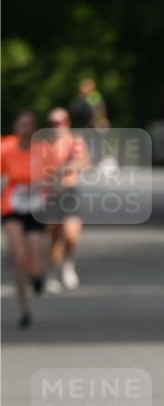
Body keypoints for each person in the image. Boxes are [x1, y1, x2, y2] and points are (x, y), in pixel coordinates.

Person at [1, 111, 48, 327]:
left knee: (36, 259)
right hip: (11, 206)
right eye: (21, 124)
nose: (24, 128)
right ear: (16, 125)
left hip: (35, 207)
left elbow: (52, 176)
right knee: (19, 258)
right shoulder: (5, 147)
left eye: (29, 124)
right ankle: (24, 309)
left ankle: (37, 277)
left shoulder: (42, 150)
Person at [42, 107, 90, 292]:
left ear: (67, 123)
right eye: (53, 123)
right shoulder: (45, 143)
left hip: (69, 191)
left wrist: (70, 165)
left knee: (71, 234)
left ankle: (68, 264)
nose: (56, 126)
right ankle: (53, 272)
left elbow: (85, 162)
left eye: (60, 122)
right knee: (54, 236)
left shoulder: (75, 141)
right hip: (51, 193)